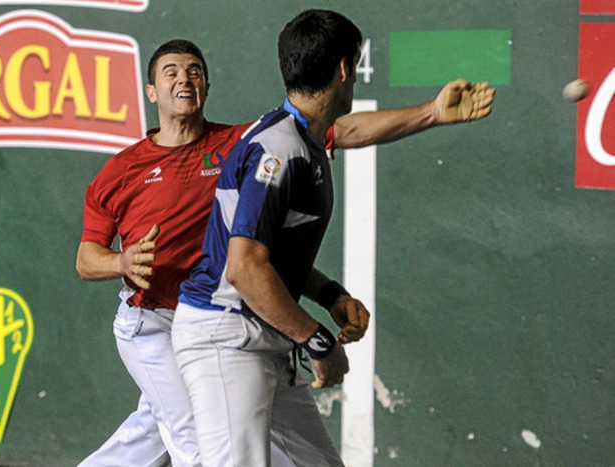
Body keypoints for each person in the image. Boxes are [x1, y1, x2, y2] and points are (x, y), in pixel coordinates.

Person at [77, 32, 495, 467]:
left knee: (150, 436)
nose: (185, 79)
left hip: (229, 314)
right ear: (151, 91)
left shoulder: (245, 145)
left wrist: (431, 113)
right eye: (171, 73)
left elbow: (340, 132)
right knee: (196, 446)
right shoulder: (121, 170)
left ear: (207, 87)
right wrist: (121, 261)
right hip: (156, 323)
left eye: (194, 71)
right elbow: (86, 258)